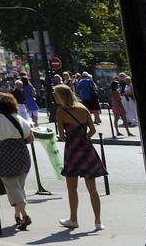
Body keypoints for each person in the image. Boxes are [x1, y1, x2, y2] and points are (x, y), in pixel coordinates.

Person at [0, 92, 35, 230]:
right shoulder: (20, 119)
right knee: (19, 187)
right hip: (22, 154)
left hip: (5, 155)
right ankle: (17, 216)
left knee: (12, 186)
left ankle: (25, 215)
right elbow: (31, 138)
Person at [52, 82, 106, 230]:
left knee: (72, 188)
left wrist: (71, 140)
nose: (54, 96)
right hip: (87, 149)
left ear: (61, 96)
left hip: (72, 150)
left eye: (55, 94)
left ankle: (73, 219)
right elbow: (93, 130)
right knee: (92, 189)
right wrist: (84, 139)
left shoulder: (61, 112)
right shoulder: (83, 109)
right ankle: (98, 221)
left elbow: (61, 135)